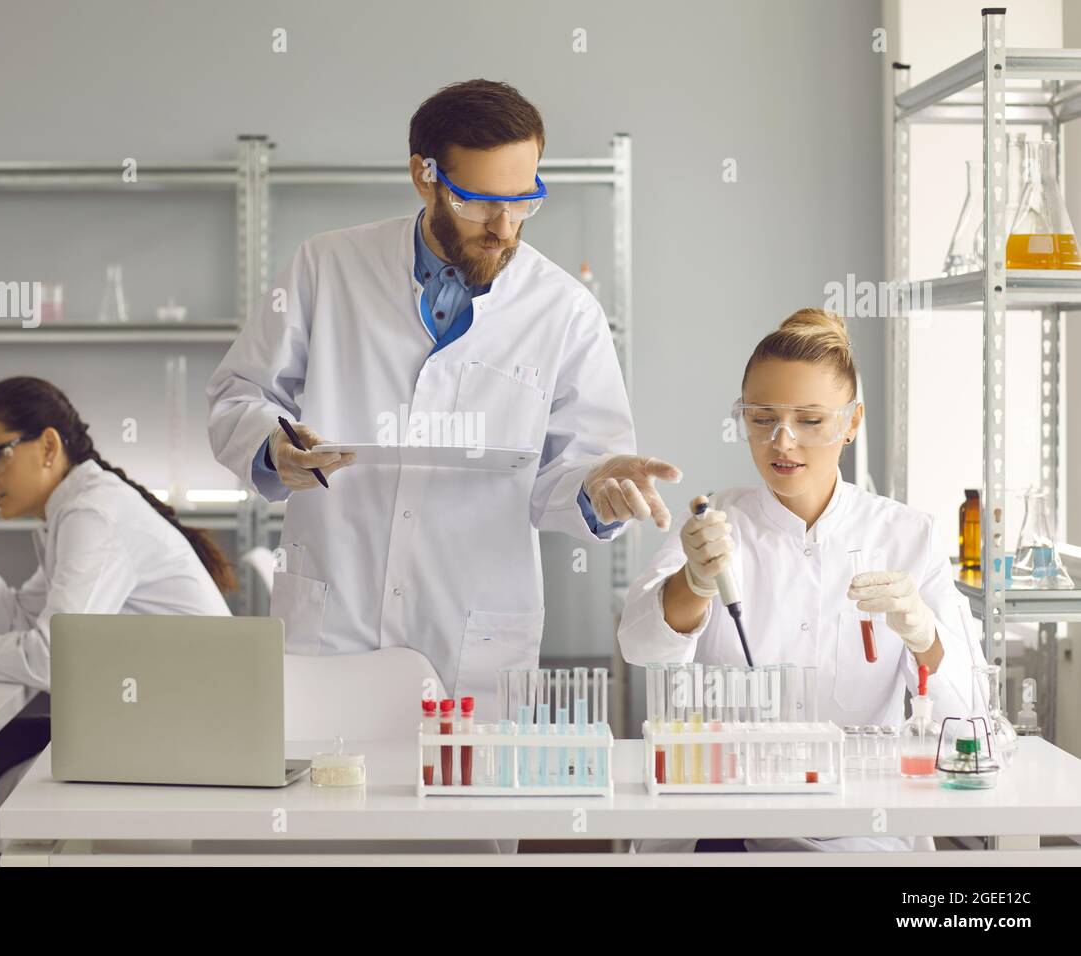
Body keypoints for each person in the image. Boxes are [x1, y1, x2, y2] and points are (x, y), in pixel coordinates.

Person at [207, 79, 679, 717]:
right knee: (324, 804)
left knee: (469, 806)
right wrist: (273, 449)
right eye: (480, 201)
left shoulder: (565, 311)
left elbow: (565, 474)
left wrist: (599, 487)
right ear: (424, 176)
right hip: (335, 612)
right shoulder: (327, 268)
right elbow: (238, 395)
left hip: (475, 631)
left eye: (524, 200)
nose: (504, 227)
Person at [618, 309, 986, 853]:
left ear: (852, 421)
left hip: (859, 831)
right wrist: (693, 584)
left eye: (811, 421)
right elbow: (639, 646)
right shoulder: (717, 522)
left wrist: (924, 633)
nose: (782, 443)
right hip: (723, 825)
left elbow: (971, 727)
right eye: (762, 419)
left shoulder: (908, 536)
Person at [0, 376, 234, 865]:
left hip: (180, 733)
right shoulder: (70, 510)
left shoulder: (91, 514)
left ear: (48, 445)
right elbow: (21, 617)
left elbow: (55, 659)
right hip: (142, 715)